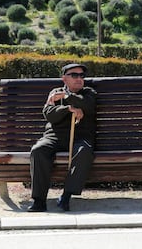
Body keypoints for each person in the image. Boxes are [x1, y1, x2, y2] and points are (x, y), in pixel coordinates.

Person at [27, 63, 97, 212]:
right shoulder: (55, 92)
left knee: (84, 152)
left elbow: (87, 105)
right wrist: (68, 108)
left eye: (82, 76)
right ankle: (39, 200)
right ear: (64, 78)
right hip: (54, 137)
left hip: (80, 137)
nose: (79, 78)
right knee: (38, 150)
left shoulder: (89, 93)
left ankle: (66, 196)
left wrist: (67, 97)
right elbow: (49, 114)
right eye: (74, 75)